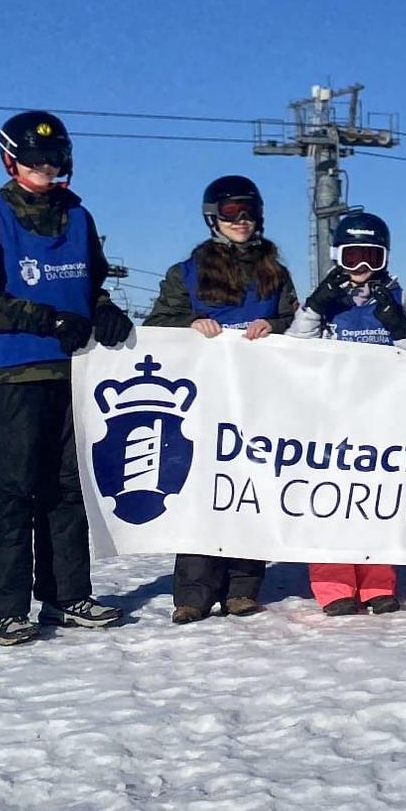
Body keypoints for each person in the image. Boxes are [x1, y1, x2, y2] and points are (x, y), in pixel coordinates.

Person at [0, 111, 133, 645]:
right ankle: (2, 608)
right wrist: (45, 319)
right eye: (33, 159)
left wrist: (103, 309)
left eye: (53, 159)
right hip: (15, 371)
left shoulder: (78, 216)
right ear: (11, 160)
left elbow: (94, 281)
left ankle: (66, 595)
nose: (44, 168)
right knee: (15, 486)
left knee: (69, 486)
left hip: (74, 370)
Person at [144, 175, 298, 623]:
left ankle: (242, 587)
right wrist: (189, 324)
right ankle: (194, 593)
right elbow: (159, 323)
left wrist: (276, 327)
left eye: (249, 212)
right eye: (231, 212)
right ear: (213, 218)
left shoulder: (275, 272)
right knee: (202, 489)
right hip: (204, 399)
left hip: (257, 397)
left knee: (248, 488)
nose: (241, 221)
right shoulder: (187, 271)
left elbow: (296, 322)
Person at [289, 211, 406, 615]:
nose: (361, 267)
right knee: (332, 500)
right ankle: (334, 585)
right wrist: (315, 307)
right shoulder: (327, 300)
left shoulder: (398, 296)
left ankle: (377, 583)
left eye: (371, 257)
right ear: (337, 256)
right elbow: (294, 348)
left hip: (380, 416)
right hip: (333, 415)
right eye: (352, 256)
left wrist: (401, 326)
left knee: (375, 499)